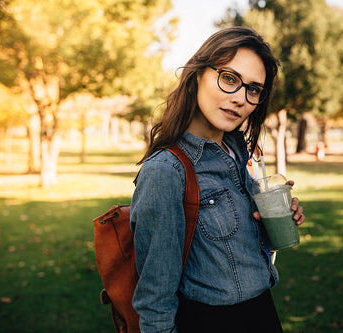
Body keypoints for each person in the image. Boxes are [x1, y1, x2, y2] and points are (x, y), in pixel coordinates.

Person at [130, 26, 306, 333]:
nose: (240, 98)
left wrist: (271, 226)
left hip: (263, 313)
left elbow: (235, 253)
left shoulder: (238, 154)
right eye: (229, 78)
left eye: (253, 89)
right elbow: (154, 299)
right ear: (198, 74)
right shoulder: (166, 172)